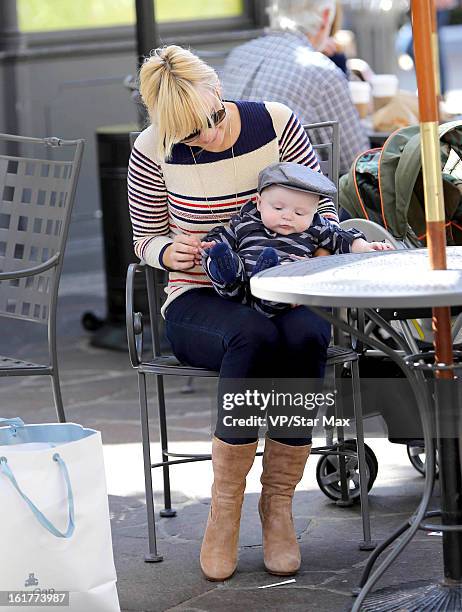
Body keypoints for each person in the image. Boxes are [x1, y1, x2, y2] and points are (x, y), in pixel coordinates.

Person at [128, 44, 339, 582]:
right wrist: (169, 251)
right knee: (249, 334)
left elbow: (325, 207)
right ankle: (225, 510)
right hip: (198, 300)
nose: (212, 134)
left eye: (214, 117)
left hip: (280, 288)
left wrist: (312, 243)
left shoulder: (275, 122)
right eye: (194, 134)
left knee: (308, 333)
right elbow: (144, 240)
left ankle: (279, 505)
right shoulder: (151, 150)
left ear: (219, 91)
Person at [202, 162, 392, 316]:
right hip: (241, 283)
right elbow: (224, 235)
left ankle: (270, 277)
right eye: (278, 208)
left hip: (280, 292)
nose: (288, 216)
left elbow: (340, 237)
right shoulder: (245, 222)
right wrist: (212, 245)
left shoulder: (315, 227)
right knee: (223, 258)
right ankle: (223, 269)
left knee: (284, 275)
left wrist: (365, 247)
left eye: (300, 212)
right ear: (259, 203)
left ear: (314, 212)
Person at [221, 0, 369, 176]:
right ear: (325, 16)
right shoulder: (320, 71)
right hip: (287, 195)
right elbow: (357, 163)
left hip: (229, 187)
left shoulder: (238, 54)